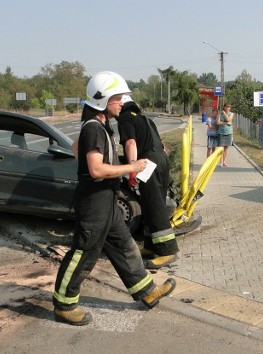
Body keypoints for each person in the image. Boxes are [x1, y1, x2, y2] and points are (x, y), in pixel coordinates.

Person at [52, 71, 176, 326]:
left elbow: (78, 150)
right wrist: (131, 168)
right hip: (94, 203)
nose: (121, 102)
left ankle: (147, 291)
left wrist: (98, 167)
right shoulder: (94, 128)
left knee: (125, 246)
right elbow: (96, 170)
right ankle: (64, 304)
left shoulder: (97, 126)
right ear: (102, 100)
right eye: (117, 98)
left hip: (106, 200)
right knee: (83, 253)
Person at [116, 94, 180, 270]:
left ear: (121, 104)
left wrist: (131, 170)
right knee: (151, 204)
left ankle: (167, 250)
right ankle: (151, 246)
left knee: (155, 206)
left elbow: (130, 143)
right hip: (161, 160)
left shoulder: (125, 118)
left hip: (148, 163)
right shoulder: (145, 119)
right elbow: (160, 143)